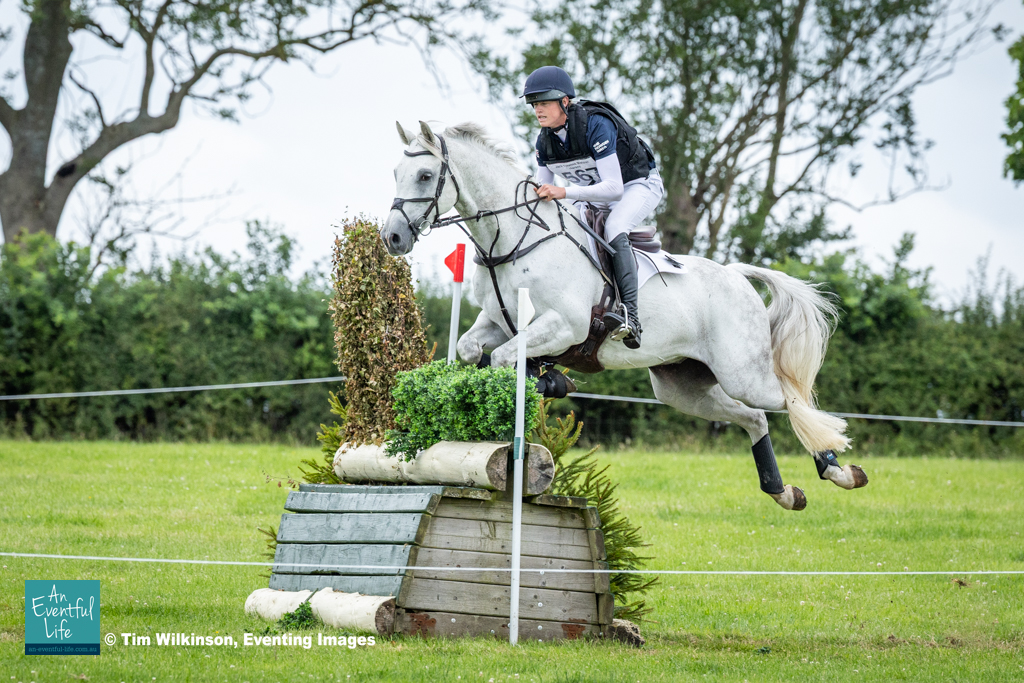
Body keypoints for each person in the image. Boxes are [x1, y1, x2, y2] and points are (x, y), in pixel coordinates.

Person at [522, 65, 663, 350]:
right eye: (535, 104)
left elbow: (614, 188)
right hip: (593, 192)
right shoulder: (543, 140)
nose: (538, 109)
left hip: (636, 185)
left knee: (614, 227)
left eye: (545, 102)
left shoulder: (596, 124)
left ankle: (631, 318)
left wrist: (562, 191)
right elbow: (542, 194)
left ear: (565, 102)